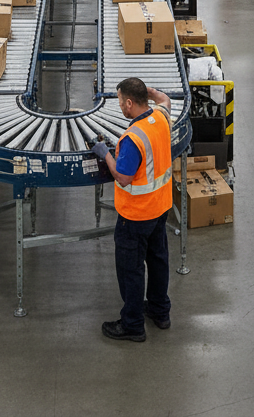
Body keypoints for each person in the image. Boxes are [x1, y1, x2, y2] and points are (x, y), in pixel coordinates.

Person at [92, 78, 173, 342]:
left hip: (136, 215)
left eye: (120, 101)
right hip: (161, 208)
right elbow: (165, 100)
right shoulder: (161, 118)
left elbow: (124, 177)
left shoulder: (133, 138)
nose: (120, 107)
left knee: (131, 269)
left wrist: (104, 153)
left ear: (129, 103)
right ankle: (160, 312)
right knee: (158, 260)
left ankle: (133, 324)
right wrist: (149, 92)